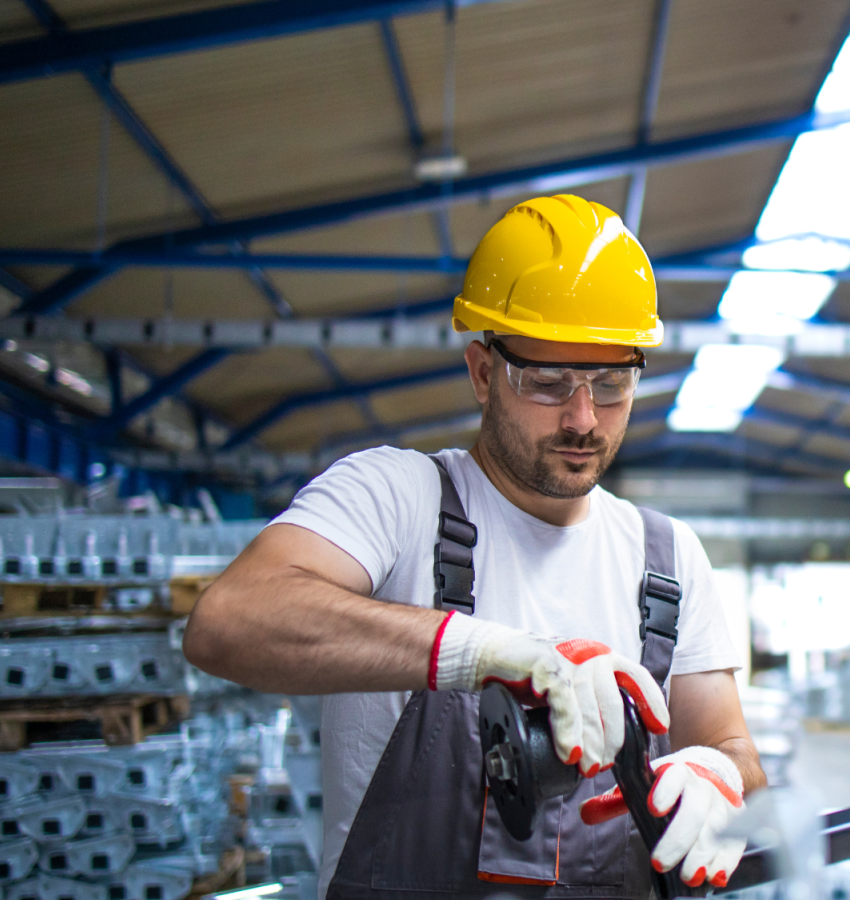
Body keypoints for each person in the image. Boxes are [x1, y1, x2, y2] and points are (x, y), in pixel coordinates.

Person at [183, 195, 764, 899]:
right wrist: (480, 652)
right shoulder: (396, 498)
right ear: (483, 372)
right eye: (546, 382)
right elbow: (228, 622)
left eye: (610, 385)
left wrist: (720, 776)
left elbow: (731, 746)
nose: (583, 419)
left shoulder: (667, 559)